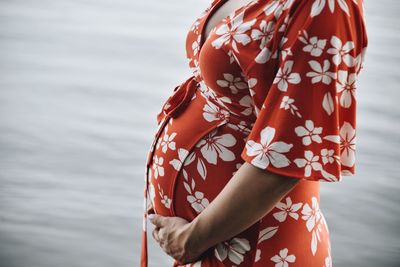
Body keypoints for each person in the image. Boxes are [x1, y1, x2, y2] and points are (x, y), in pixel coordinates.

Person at [141, 0, 368, 266]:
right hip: (218, 240)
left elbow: (292, 150)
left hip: (259, 246)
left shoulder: (326, 6)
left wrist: (193, 238)